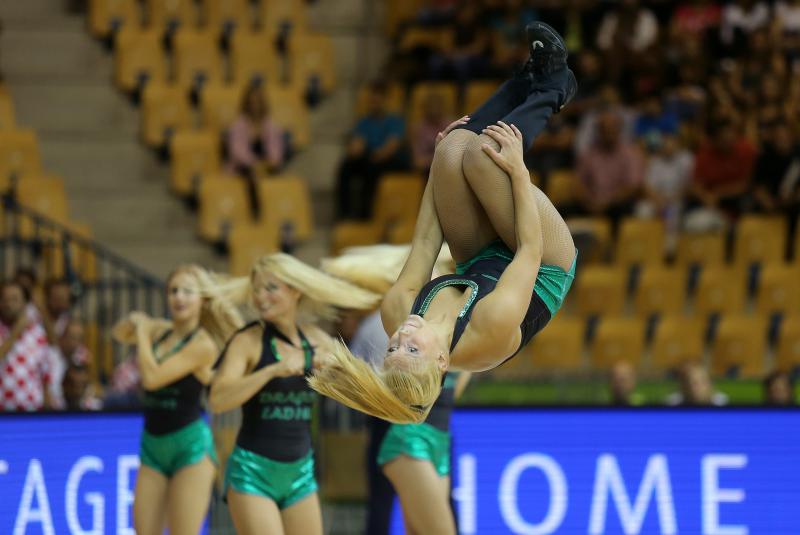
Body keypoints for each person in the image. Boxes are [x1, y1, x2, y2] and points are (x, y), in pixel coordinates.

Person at [310, 22, 578, 423]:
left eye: (391, 350)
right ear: (440, 360)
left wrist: (436, 166)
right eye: (411, 350)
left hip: (482, 259)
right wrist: (519, 173)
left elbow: (423, 245)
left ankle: (524, 79)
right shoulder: (487, 333)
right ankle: (554, 85)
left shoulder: (397, 313)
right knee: (486, 154)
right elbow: (529, 249)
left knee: (454, 149)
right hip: (543, 265)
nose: (399, 338)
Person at [209, 253, 379, 535]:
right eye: (257, 289)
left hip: (300, 474)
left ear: (295, 290)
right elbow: (218, 399)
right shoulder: (247, 340)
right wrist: (271, 371)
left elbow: (362, 388)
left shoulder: (317, 340)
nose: (261, 297)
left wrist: (339, 369)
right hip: (253, 473)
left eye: (271, 288)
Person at [112, 265, 244, 535]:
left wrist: (141, 333)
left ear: (202, 300)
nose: (179, 297)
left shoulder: (203, 344)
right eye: (173, 291)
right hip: (153, 444)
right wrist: (134, 322)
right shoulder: (159, 331)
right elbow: (118, 334)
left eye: (188, 291)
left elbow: (151, 378)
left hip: (190, 446)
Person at [336, 81, 408, 220]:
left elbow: (391, 147)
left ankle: (366, 216)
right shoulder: (364, 122)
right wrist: (354, 149)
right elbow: (357, 146)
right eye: (372, 100)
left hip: (389, 161)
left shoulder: (394, 121)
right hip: (370, 159)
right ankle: (344, 214)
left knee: (371, 169)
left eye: (378, 99)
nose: (375, 103)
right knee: (346, 167)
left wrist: (374, 155)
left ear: (385, 100)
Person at [226, 85, 287, 219]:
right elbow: (237, 152)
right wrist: (255, 164)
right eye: (252, 102)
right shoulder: (238, 126)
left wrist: (269, 163)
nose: (255, 105)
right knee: (254, 177)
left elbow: (277, 152)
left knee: (275, 177)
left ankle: (275, 214)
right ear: (246, 104)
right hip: (243, 168)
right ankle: (255, 214)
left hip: (266, 167)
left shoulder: (271, 126)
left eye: (258, 101)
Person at [0, 279, 52, 411]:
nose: (9, 304)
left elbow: (45, 374)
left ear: (24, 304)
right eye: (5, 299)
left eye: (14, 299)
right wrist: (15, 332)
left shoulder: (37, 333)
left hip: (32, 410)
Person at [41, 277, 73, 344]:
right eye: (59, 299)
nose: (63, 303)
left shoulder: (66, 320)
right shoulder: (34, 316)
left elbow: (57, 345)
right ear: (48, 298)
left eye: (65, 299)